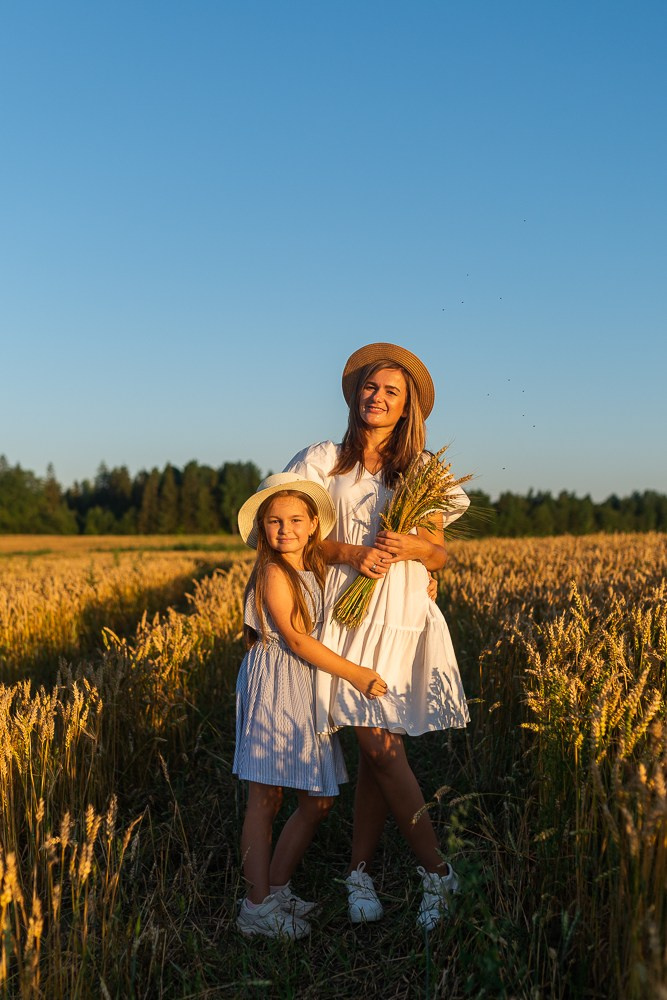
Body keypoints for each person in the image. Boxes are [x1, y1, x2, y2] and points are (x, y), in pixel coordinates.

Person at [283, 343, 470, 931]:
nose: (378, 397)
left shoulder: (423, 470)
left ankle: (380, 875)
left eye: (391, 391)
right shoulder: (322, 461)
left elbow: (438, 551)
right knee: (378, 747)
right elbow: (292, 535)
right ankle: (432, 874)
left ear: (406, 404)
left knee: (378, 750)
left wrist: (409, 545)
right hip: (344, 611)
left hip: (401, 612)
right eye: (370, 387)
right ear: (354, 394)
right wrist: (353, 552)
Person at [233, 473, 388, 939]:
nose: (286, 529)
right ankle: (255, 908)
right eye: (275, 521)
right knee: (265, 799)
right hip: (276, 682)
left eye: (296, 519)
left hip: (305, 687)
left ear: (313, 522)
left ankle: (275, 888)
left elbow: (339, 557)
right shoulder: (273, 572)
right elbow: (298, 640)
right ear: (263, 528)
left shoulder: (311, 564)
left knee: (317, 800)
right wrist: (356, 674)